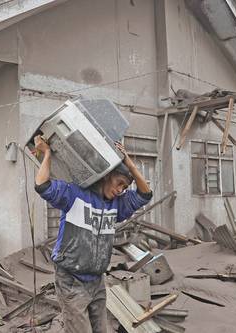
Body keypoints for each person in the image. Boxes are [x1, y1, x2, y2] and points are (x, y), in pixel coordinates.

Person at [33, 135, 153, 333]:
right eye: (119, 183)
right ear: (106, 175)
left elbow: (145, 194)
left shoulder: (118, 204)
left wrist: (130, 165)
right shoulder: (75, 194)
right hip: (71, 280)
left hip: (97, 280)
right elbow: (42, 185)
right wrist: (46, 154)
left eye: (124, 187)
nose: (120, 190)